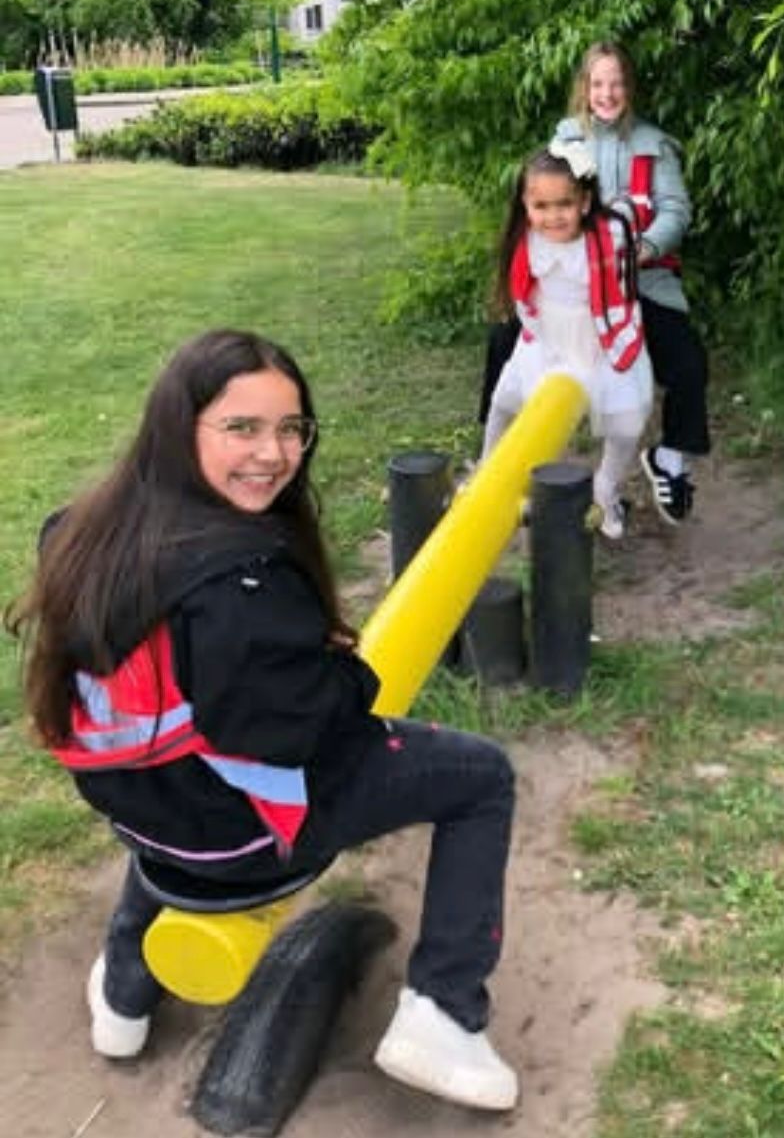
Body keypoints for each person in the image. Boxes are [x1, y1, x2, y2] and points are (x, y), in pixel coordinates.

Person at [5, 329, 518, 1112]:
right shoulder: (238, 582)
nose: (274, 453)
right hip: (242, 843)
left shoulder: (79, 528)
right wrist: (347, 667)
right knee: (481, 777)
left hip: (142, 817)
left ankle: (124, 988)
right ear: (182, 427)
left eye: (291, 428)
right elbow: (301, 729)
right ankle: (444, 1011)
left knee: (170, 757)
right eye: (241, 428)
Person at [478, 40, 710, 525]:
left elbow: (676, 210)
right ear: (584, 87)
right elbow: (542, 201)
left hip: (639, 283)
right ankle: (497, 458)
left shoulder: (654, 145)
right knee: (504, 339)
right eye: (598, 83)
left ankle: (669, 459)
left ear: (629, 87)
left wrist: (642, 249)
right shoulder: (565, 139)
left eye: (617, 83)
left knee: (687, 360)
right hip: (573, 289)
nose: (607, 93)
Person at [481, 143, 652, 540]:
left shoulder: (606, 237)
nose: (553, 217)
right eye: (540, 206)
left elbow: (631, 217)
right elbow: (525, 290)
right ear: (525, 204)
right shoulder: (526, 239)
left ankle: (605, 488)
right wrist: (536, 336)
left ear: (585, 201)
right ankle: (488, 469)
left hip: (599, 339)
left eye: (564, 205)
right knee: (503, 400)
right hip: (546, 337)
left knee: (626, 422)